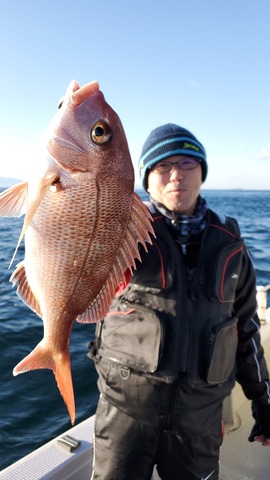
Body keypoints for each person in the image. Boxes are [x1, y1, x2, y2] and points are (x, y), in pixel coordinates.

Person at [89, 123, 270, 480]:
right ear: (145, 178)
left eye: (188, 163)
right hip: (125, 414)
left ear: (202, 171)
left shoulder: (229, 242)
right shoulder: (120, 229)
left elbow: (246, 329)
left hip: (199, 422)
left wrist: (262, 400)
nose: (176, 175)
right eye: (162, 166)